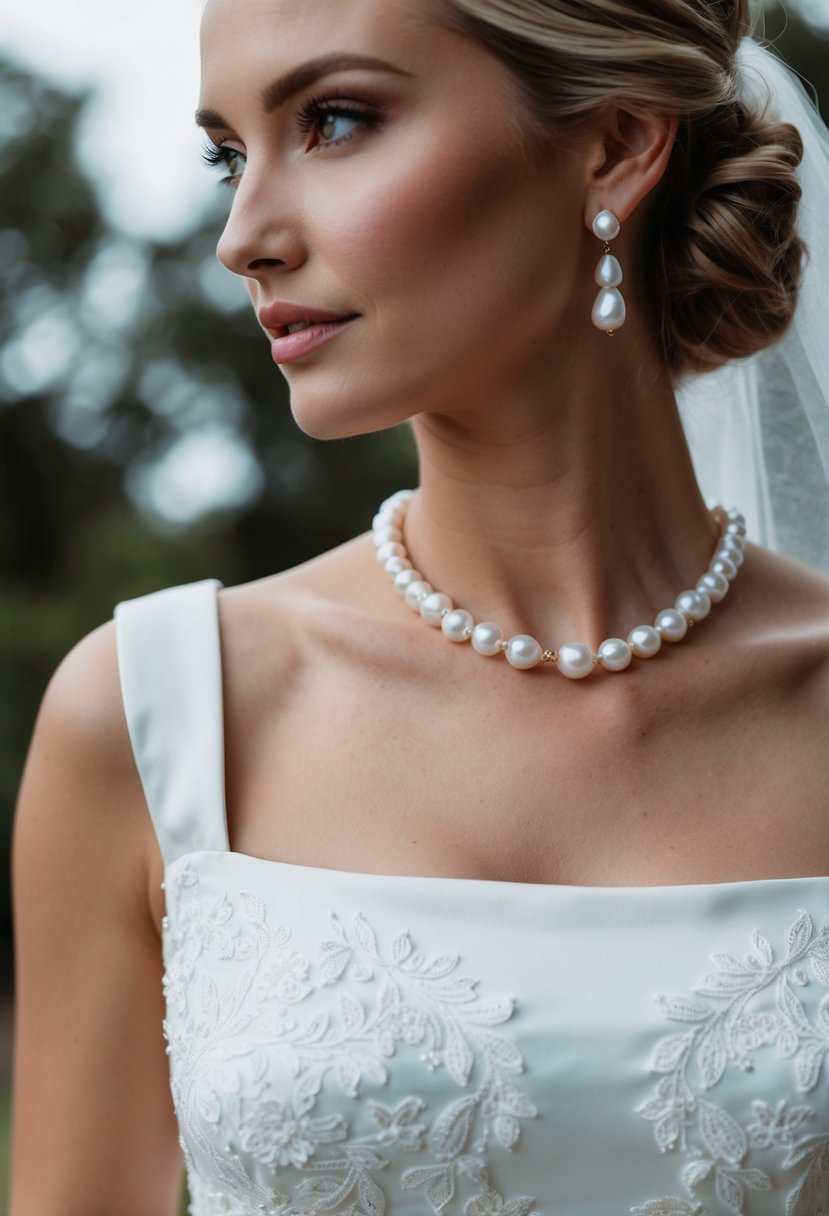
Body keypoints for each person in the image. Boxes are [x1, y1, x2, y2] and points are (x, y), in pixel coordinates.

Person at [9, 0, 829, 1213]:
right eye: (228, 156)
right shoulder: (157, 713)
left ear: (615, 143)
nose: (244, 235)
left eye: (335, 121)